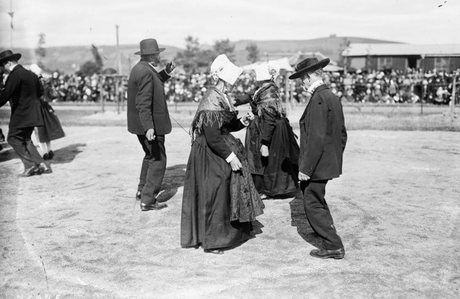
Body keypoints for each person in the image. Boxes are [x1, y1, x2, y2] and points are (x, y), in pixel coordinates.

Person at [181, 54, 264, 254]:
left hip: (216, 146)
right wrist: (231, 157)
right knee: (217, 188)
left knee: (227, 185)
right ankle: (214, 240)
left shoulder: (221, 96)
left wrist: (241, 122)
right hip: (208, 152)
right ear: (222, 79)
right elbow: (212, 135)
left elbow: (225, 125)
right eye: (230, 82)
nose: (232, 87)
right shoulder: (212, 97)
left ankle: (229, 232)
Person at [289, 57, 347, 259]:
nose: (302, 83)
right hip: (326, 161)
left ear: (310, 76)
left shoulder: (318, 99)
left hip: (317, 164)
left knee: (312, 202)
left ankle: (333, 244)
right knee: (318, 199)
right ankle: (327, 232)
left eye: (303, 79)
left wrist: (305, 168)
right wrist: (334, 157)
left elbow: (315, 139)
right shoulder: (330, 96)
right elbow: (341, 134)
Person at [234, 64, 299, 199]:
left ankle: (264, 189)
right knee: (262, 158)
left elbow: (269, 119)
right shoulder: (266, 88)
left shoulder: (268, 92)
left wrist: (264, 142)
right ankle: (263, 188)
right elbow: (251, 96)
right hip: (264, 126)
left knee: (261, 158)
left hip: (267, 129)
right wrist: (235, 101)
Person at [127, 38, 175, 211]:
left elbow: (153, 84)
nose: (159, 56)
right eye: (156, 54)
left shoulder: (141, 69)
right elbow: (143, 101)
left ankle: (142, 190)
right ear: (150, 55)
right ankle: (148, 199)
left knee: (149, 155)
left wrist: (165, 73)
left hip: (140, 124)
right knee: (158, 159)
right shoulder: (146, 71)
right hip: (148, 124)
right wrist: (149, 127)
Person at [0, 50, 52, 176]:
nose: (3, 67)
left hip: (21, 113)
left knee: (13, 138)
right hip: (34, 112)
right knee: (26, 139)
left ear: (8, 63)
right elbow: (40, 92)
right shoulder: (30, 74)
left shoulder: (15, 75)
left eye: (3, 64)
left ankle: (30, 166)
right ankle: (41, 165)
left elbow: (7, 93)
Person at [29, 64, 65, 160]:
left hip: (36, 108)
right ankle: (49, 150)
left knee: (38, 131)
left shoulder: (31, 81)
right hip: (45, 107)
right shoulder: (45, 81)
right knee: (46, 129)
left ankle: (44, 152)